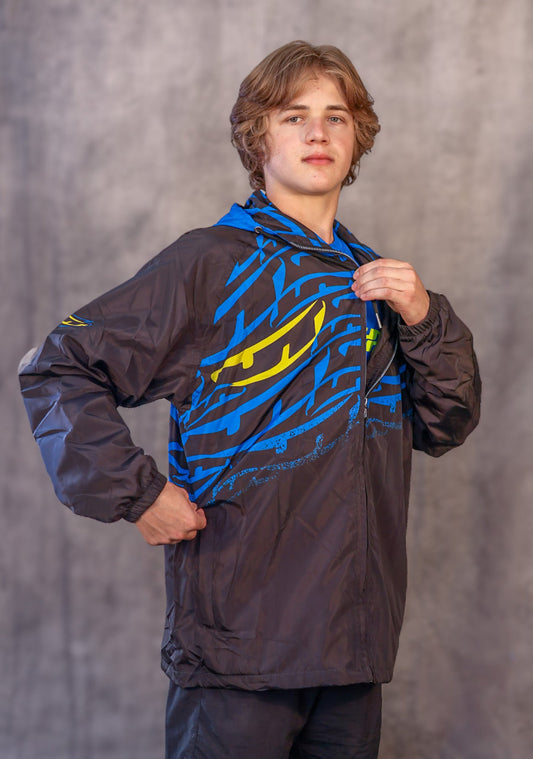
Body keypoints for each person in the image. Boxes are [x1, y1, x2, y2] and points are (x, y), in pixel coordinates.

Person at [19, 40, 481, 759]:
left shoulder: (378, 285)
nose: (318, 132)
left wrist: (425, 320)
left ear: (357, 135)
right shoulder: (211, 263)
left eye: (335, 116)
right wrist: (137, 493)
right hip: (237, 650)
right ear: (257, 137)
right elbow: (60, 368)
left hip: (354, 652)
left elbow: (444, 424)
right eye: (294, 116)